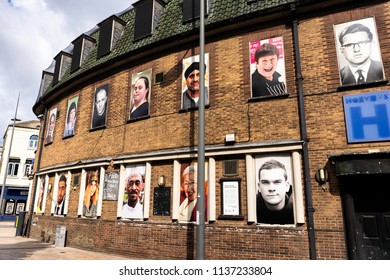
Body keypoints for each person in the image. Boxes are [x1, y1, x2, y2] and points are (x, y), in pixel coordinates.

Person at [256, 159, 294, 224]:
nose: (271, 188)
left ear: (287, 186)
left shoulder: (298, 208)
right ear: (259, 187)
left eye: (277, 182)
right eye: (265, 182)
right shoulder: (251, 208)